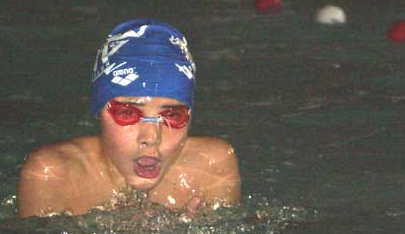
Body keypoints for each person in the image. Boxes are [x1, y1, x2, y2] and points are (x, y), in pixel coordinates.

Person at [17, 19, 241, 218]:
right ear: (99, 111)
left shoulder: (212, 165)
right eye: (128, 113)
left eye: (172, 115)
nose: (151, 137)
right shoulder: (52, 174)